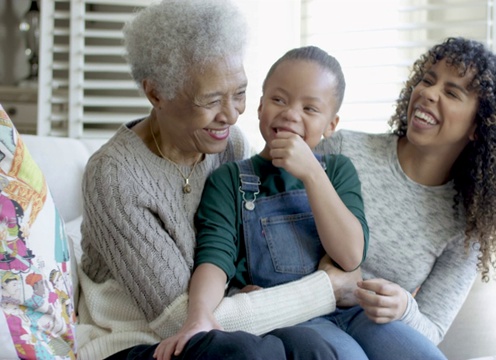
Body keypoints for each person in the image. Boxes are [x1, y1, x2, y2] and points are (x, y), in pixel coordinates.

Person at [77, 1, 339, 359]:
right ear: (156, 94)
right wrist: (329, 289)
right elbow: (182, 323)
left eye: (240, 93)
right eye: (211, 100)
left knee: (314, 348)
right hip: (136, 343)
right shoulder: (114, 176)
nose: (231, 115)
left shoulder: (229, 146)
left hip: (221, 330)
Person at [312, 36, 496, 352]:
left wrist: (404, 307)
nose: (428, 93)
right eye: (427, 80)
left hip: (371, 324)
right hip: (309, 310)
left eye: (451, 92)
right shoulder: (343, 150)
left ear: (479, 126)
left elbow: (432, 328)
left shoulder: (466, 227)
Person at [155, 45, 371, 360]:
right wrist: (198, 315)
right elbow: (214, 260)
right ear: (260, 107)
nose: (290, 113)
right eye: (279, 100)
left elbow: (351, 256)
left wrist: (312, 174)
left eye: (310, 109)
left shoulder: (337, 171)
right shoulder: (230, 180)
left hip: (352, 312)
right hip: (291, 323)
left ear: (331, 125)